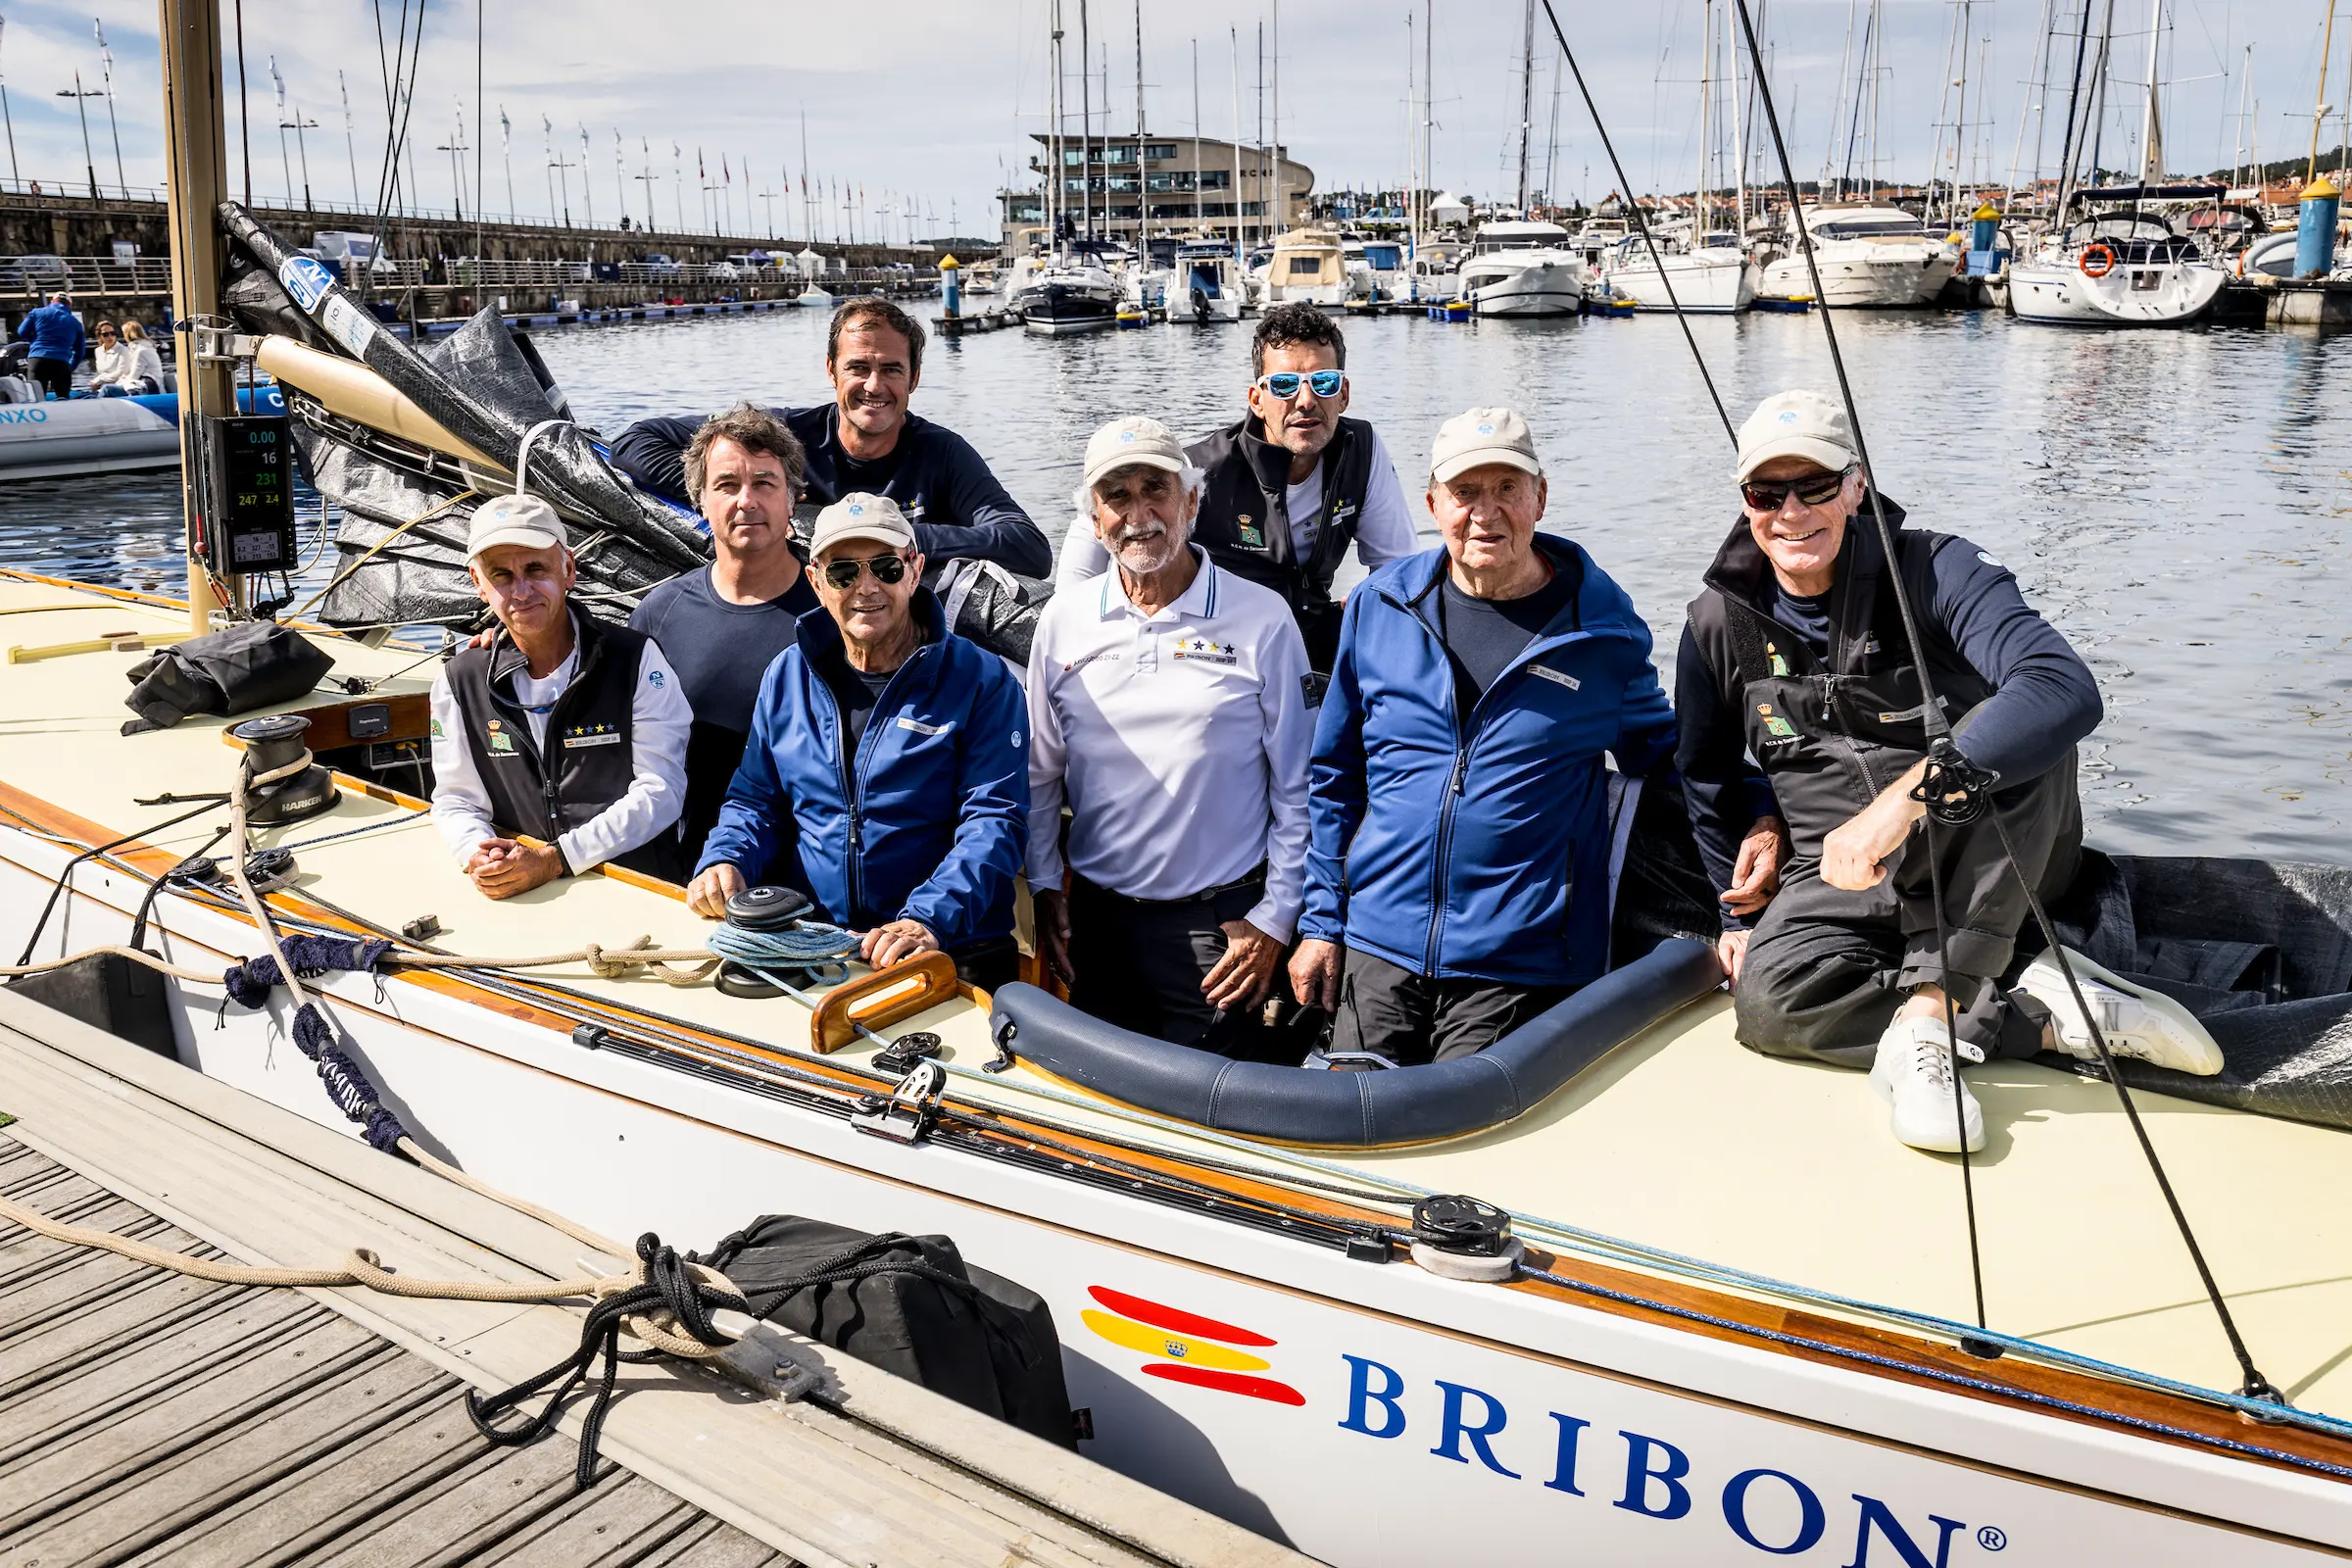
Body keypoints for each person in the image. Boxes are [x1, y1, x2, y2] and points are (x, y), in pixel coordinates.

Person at [1678, 389, 2217, 1156]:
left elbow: (2061, 687)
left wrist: (1904, 802)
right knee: (1766, 1010)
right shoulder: (1713, 623)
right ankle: (2037, 1011)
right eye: (1769, 493)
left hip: (1982, 851)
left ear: (1856, 486)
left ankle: (1936, 1009)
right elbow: (1704, 773)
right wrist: (1738, 898)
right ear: (1745, 500)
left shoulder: (1939, 567)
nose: (1791, 511)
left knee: (2016, 730)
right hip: (1832, 872)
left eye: (1816, 487)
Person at [1287, 408, 1678, 1064]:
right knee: (1352, 1116)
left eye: (1508, 490)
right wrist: (1322, 922)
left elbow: (1669, 756)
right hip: (1378, 942)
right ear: (1434, 503)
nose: (1486, 513)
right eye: (1467, 493)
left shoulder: (1604, 635)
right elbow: (1335, 776)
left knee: (1470, 1137)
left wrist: (1757, 814)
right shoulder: (1379, 604)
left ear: (1541, 498)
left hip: (1519, 961)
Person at [1026, 416, 1311, 1054]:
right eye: (1117, 497)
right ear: (1094, 518)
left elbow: (1300, 789)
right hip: (1098, 927)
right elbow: (1041, 773)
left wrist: (1275, 919)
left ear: (1191, 500)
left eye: (1155, 489)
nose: (1139, 514)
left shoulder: (1262, 619)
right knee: (1106, 1118)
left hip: (1225, 932)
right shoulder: (1064, 622)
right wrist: (1045, 887)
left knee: (1222, 1125)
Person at [690, 493, 1028, 984]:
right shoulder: (786, 675)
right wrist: (726, 858)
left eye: (886, 568)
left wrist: (925, 920)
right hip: (814, 941)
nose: (866, 587)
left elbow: (995, 821)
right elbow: (755, 801)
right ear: (817, 582)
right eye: (844, 572)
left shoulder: (984, 681)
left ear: (915, 571)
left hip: (950, 947)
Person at [1054, 303, 1420, 670]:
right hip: (1216, 642)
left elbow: (1396, 567)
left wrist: (1364, 611)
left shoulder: (1362, 450)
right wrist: (1070, 626)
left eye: (1323, 382)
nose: (1306, 401)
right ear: (1257, 400)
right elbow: (1096, 522)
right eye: (1285, 385)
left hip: (1312, 632)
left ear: (1343, 394)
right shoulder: (1204, 467)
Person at [608, 297, 1051, 577]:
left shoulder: (943, 451)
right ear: (831, 371)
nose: (874, 386)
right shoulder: (782, 437)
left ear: (914, 378)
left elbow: (1027, 546)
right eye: (858, 368)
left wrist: (891, 536)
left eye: (891, 369)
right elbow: (637, 441)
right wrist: (745, 496)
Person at [428, 494, 692, 898]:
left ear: (568, 569)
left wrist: (557, 860)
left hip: (633, 888)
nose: (521, 591)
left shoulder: (636, 659)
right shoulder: (458, 681)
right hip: (525, 892)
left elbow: (662, 790)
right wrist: (476, 855)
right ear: (478, 584)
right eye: (500, 575)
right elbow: (455, 799)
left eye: (535, 568)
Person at [628, 405, 821, 862]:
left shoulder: (836, 612)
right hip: (693, 868)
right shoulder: (660, 614)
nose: (746, 500)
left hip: (809, 873)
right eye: (727, 485)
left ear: (793, 499)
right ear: (699, 500)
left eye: (764, 483)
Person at [14, 294, 83, 401]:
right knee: (62, 398)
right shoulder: (76, 323)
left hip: (38, 359)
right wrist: (70, 367)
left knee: (35, 397)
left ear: (52, 301)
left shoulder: (36, 312)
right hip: (61, 362)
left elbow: (22, 331)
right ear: (69, 305)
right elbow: (79, 352)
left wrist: (35, 342)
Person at [87, 320, 164, 396]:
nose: (110, 336)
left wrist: (122, 380)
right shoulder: (139, 349)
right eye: (105, 334)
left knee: (106, 389)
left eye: (113, 333)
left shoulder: (140, 351)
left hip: (147, 386)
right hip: (140, 384)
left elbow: (134, 375)